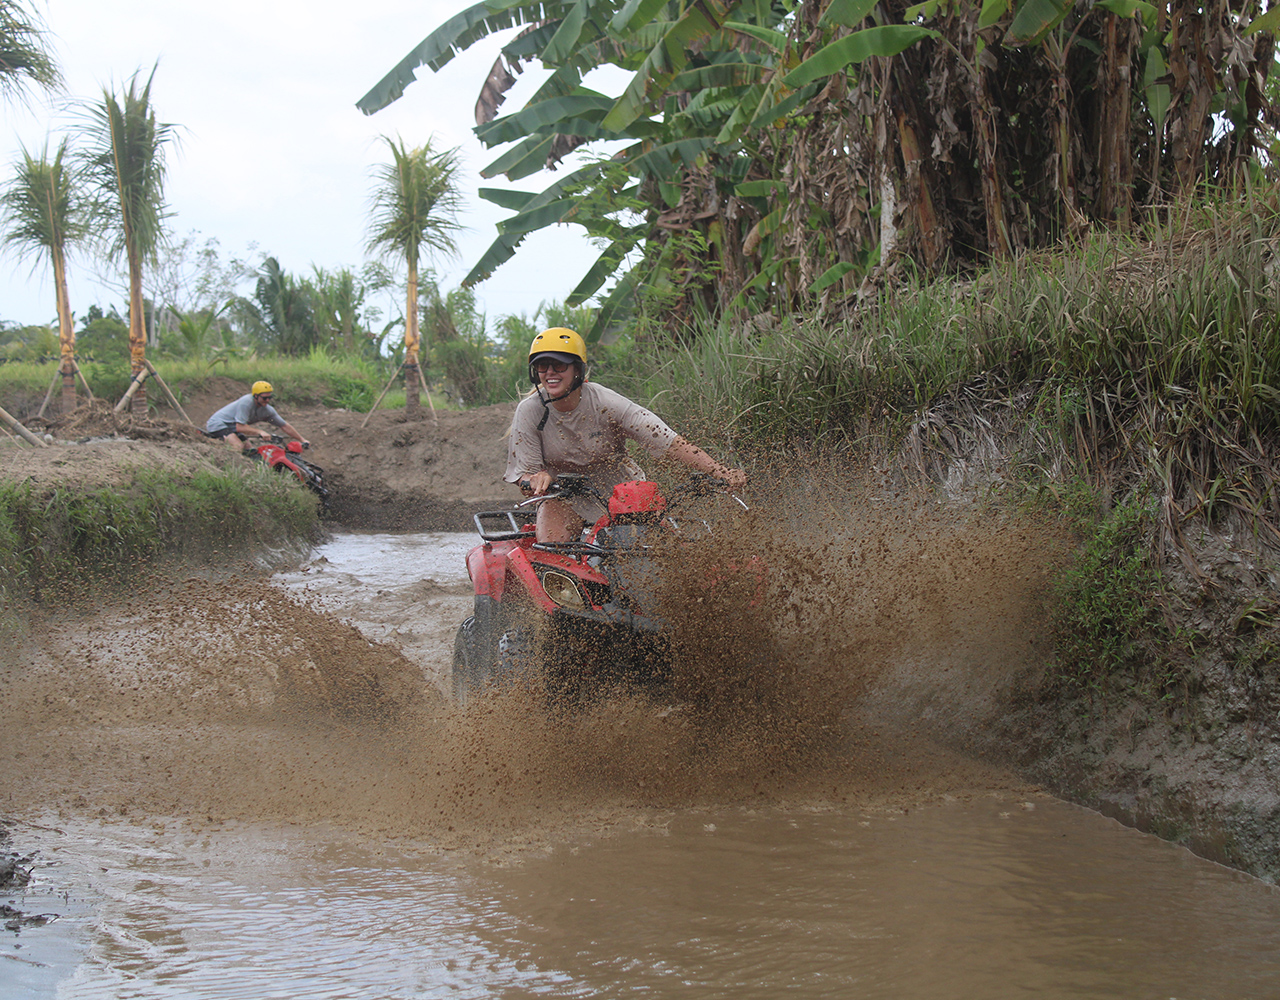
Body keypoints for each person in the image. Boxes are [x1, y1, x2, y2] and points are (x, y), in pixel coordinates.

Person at [504, 328, 748, 543]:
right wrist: (535, 480)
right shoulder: (529, 411)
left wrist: (720, 472)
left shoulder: (606, 402)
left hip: (623, 492)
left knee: (655, 551)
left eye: (559, 365)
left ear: (577, 369)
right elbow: (526, 476)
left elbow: (668, 441)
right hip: (564, 497)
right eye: (542, 366)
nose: (550, 372)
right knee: (550, 549)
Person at [203, 381, 309, 451]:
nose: (267, 400)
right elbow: (240, 427)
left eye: (270, 397)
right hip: (219, 424)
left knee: (249, 449)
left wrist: (302, 439)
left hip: (232, 426)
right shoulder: (246, 403)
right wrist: (260, 432)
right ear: (256, 396)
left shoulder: (267, 410)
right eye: (264, 398)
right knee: (238, 446)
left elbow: (284, 426)